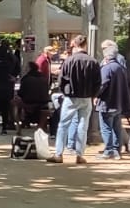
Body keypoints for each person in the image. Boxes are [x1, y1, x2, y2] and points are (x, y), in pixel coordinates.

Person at [47, 35, 100, 165]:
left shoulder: (69, 61)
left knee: (63, 125)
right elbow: (98, 82)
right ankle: (79, 155)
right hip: (86, 97)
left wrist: (64, 91)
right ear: (85, 45)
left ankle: (59, 153)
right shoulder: (93, 61)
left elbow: (61, 79)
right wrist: (94, 95)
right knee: (83, 126)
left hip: (71, 97)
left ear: (75, 45)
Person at [96, 43, 130, 160]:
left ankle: (108, 151)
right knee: (116, 127)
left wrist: (95, 95)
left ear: (106, 56)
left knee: (106, 128)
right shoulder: (121, 68)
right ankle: (117, 150)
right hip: (118, 103)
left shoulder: (106, 68)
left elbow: (102, 85)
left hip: (106, 103)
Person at [15, 62, 51, 131]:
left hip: (29, 102)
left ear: (29, 69)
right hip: (43, 102)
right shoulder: (43, 78)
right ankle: (42, 125)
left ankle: (19, 124)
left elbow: (21, 93)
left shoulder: (26, 79)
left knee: (15, 102)